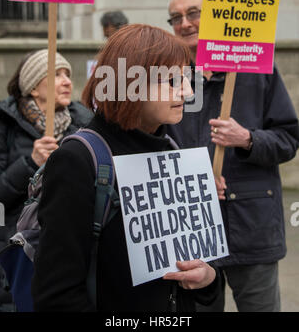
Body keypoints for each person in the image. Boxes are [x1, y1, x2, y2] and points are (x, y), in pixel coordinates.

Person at [32, 24, 221, 312]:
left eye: (187, 78)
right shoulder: (77, 161)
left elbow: (197, 281)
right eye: (172, 80)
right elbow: (56, 294)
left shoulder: (171, 150)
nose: (186, 91)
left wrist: (208, 278)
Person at [166, 0, 299, 312]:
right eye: (175, 18)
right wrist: (194, 179)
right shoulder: (169, 77)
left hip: (251, 229)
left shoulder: (258, 69)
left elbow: (289, 139)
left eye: (193, 13)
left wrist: (248, 139)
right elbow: (155, 148)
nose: (184, 23)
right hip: (192, 230)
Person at [0, 49, 93, 311]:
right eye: (55, 74)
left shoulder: (85, 124)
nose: (66, 81)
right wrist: (30, 163)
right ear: (32, 88)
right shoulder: (5, 124)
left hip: (66, 251)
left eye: (68, 74)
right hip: (16, 250)